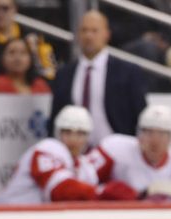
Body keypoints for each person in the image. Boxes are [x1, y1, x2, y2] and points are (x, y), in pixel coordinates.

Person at [0, 106, 136, 204]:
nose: (73, 139)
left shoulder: (86, 168)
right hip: (7, 217)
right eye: (67, 132)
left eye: (80, 133)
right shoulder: (47, 149)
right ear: (58, 133)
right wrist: (101, 192)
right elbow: (61, 191)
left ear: (88, 138)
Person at [50, 10, 148, 144]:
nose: (89, 36)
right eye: (84, 30)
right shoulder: (64, 74)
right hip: (75, 151)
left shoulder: (128, 72)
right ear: (77, 34)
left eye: (94, 30)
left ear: (107, 34)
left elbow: (141, 117)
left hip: (117, 150)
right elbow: (55, 119)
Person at [89, 104, 171, 200]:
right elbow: (84, 179)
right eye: (149, 132)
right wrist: (106, 191)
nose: (155, 141)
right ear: (139, 133)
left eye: (162, 134)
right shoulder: (115, 149)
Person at [0, 0, 57, 80]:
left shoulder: (31, 37)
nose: (0, 13)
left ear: (15, 9)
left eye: (5, 8)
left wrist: (34, 54)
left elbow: (49, 73)